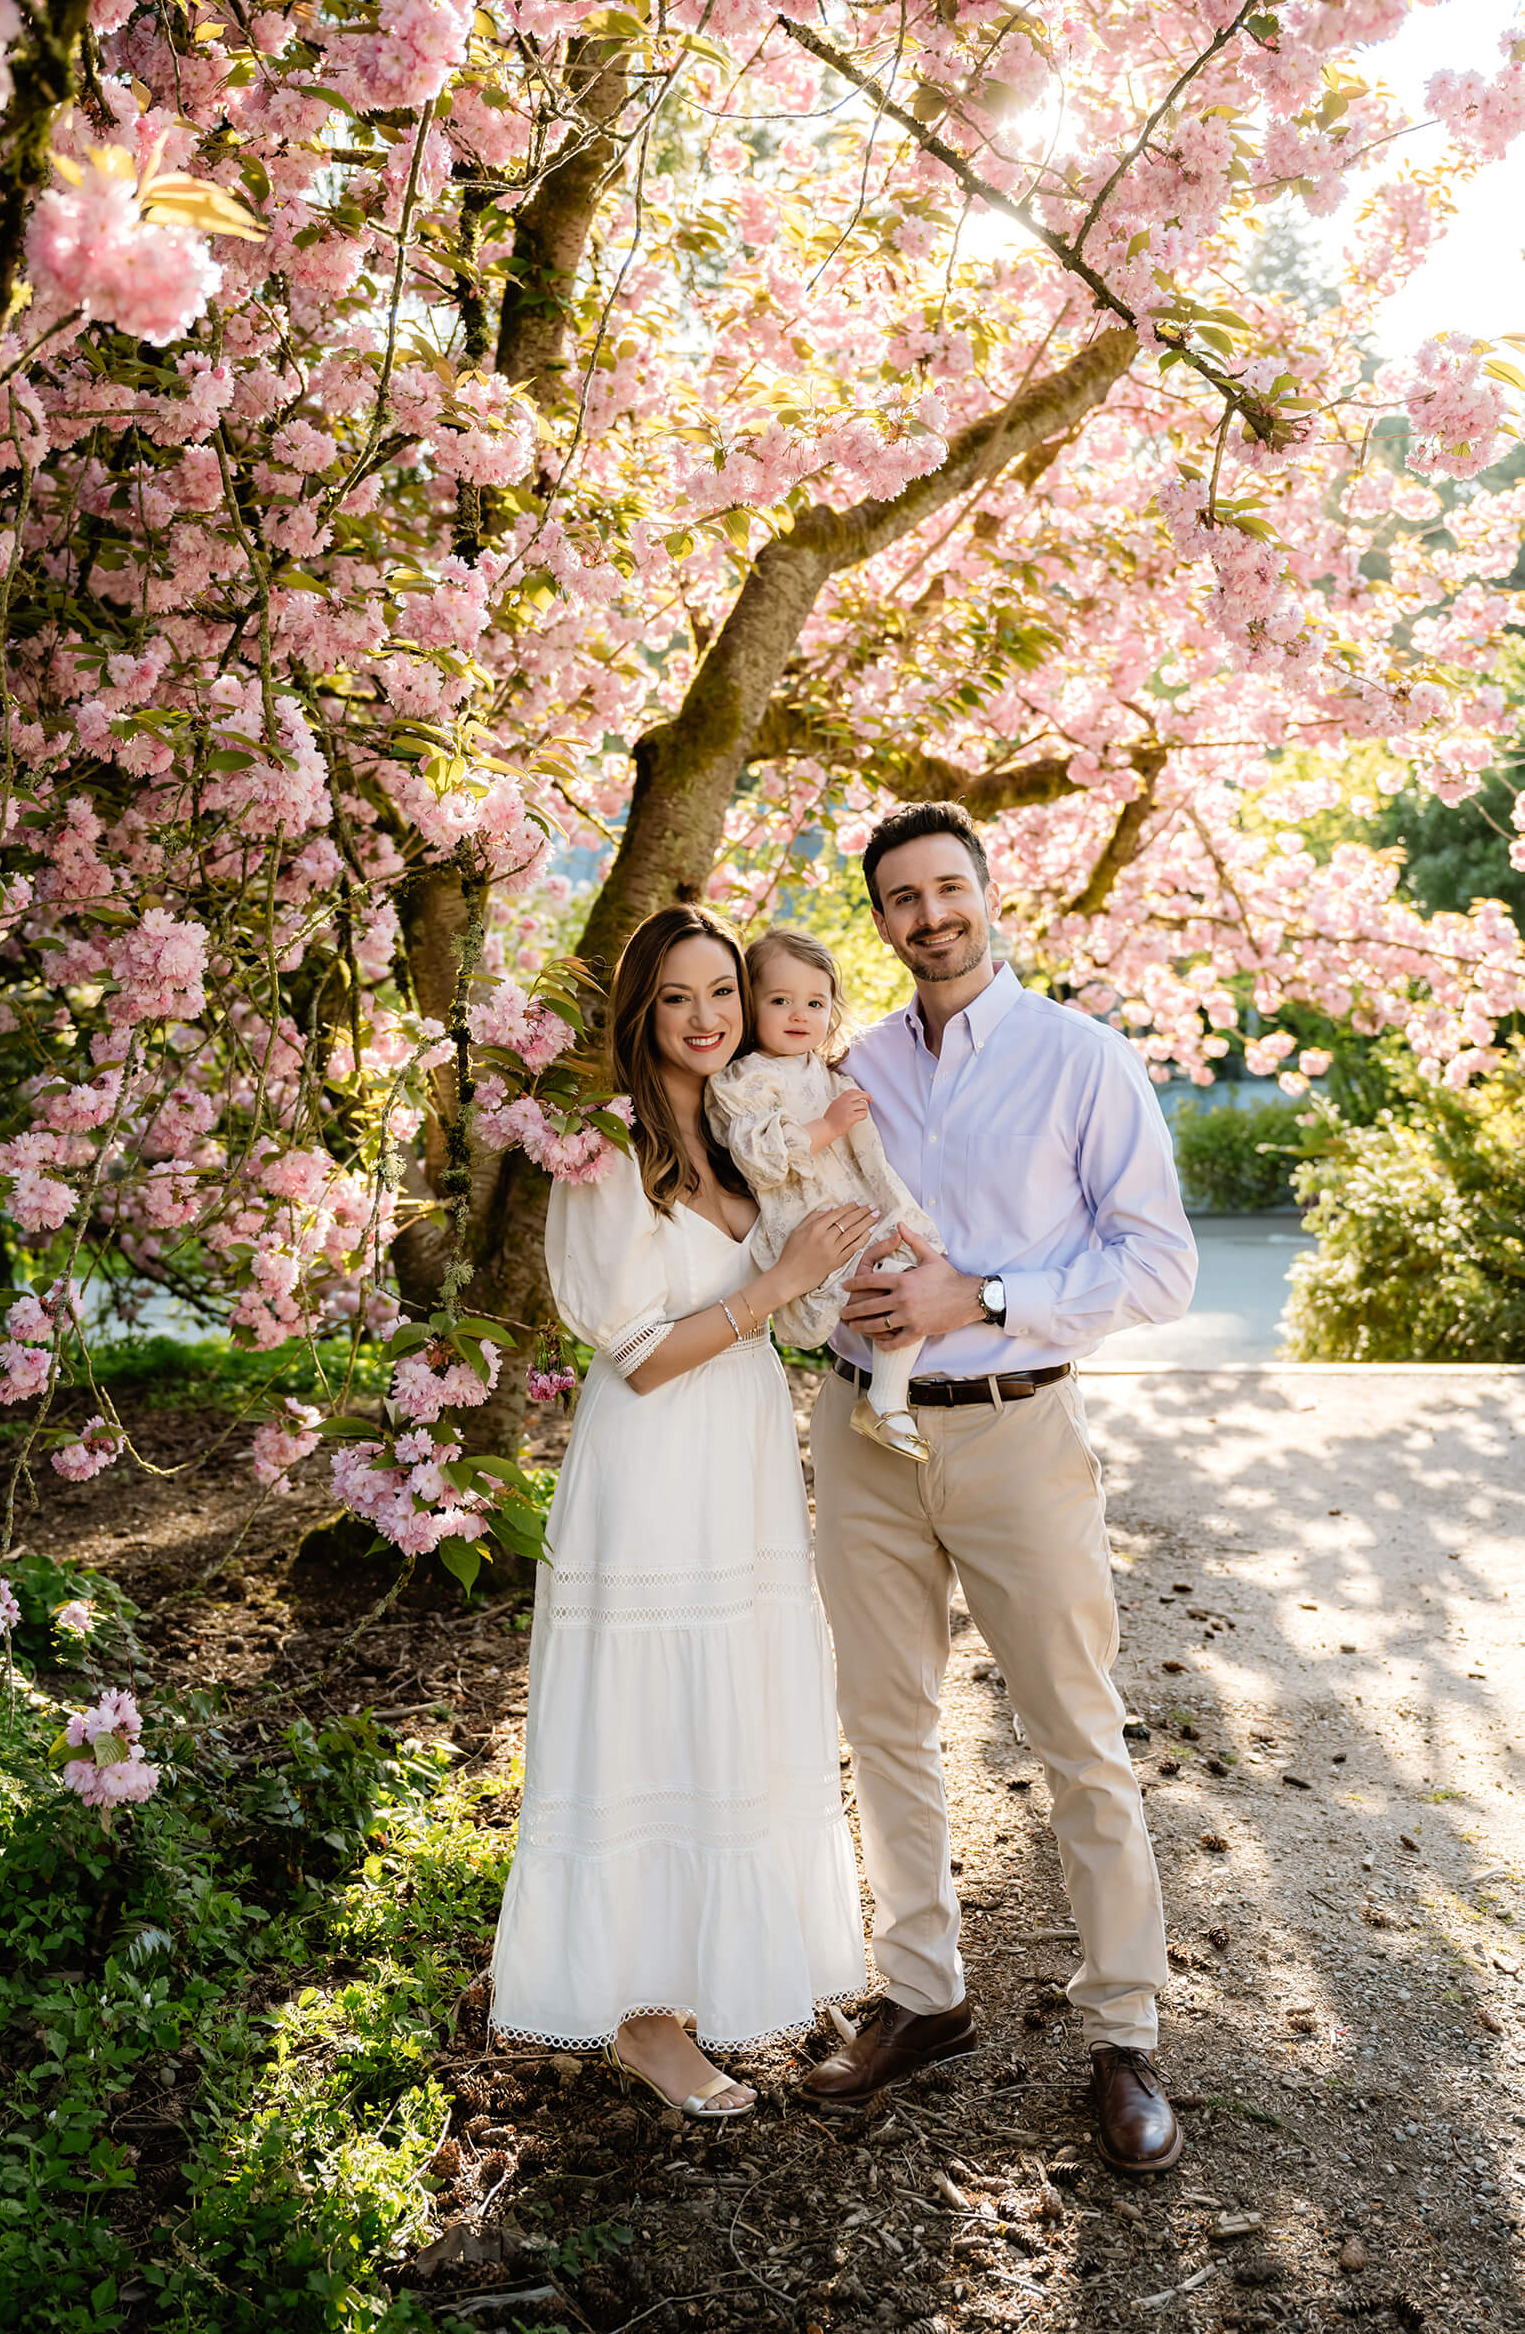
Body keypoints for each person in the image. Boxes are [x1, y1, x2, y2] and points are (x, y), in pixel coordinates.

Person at [799, 802, 1199, 2176]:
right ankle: (921, 1995)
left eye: (945, 889)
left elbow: (1159, 1266)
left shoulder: (1076, 1059)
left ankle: (1123, 2031)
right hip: (859, 1430)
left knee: (1074, 1733)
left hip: (1017, 1435)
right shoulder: (844, 1067)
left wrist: (983, 1293)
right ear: (881, 920)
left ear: (984, 892)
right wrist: (826, 1291)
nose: (928, 916)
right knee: (883, 1720)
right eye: (899, 899)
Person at [489, 904, 870, 2116]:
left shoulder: (738, 1131)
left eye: (724, 995)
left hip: (741, 1449)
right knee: (650, 1716)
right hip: (654, 1458)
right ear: (639, 1012)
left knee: (732, 1709)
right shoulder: (605, 1149)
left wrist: (824, 1228)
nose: (707, 1020)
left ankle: (700, 1982)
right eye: (678, 999)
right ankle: (645, 2023)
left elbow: (802, 1312)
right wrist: (777, 1280)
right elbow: (640, 1353)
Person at [706, 928, 948, 1462]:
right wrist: (827, 1127)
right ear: (749, 1006)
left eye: (815, 1002)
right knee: (865, 1286)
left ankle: (885, 1399)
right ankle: (883, 1400)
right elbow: (759, 1157)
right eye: (780, 1001)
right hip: (806, 1217)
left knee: (908, 1273)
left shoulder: (829, 1072)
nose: (799, 1014)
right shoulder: (745, 1078)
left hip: (853, 1205)